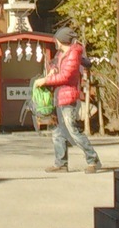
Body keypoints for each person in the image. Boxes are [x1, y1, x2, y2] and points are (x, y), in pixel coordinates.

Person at [36, 26, 101, 173]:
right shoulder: (62, 54)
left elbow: (66, 76)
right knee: (57, 131)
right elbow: (55, 62)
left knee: (73, 130)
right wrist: (52, 68)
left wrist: (46, 80)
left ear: (62, 40)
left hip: (68, 96)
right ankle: (61, 163)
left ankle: (93, 160)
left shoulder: (73, 55)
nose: (55, 43)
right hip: (59, 96)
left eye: (57, 40)